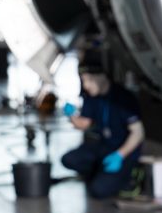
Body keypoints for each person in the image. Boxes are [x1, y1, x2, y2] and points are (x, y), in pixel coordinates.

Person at [61, 58, 144, 199]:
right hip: (104, 146)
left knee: (98, 191)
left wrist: (120, 155)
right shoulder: (92, 97)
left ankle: (130, 175)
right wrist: (71, 114)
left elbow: (138, 133)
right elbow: (83, 124)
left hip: (124, 151)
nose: (85, 85)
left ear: (101, 76)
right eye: (83, 81)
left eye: (89, 80)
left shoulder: (124, 98)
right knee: (69, 159)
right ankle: (102, 173)